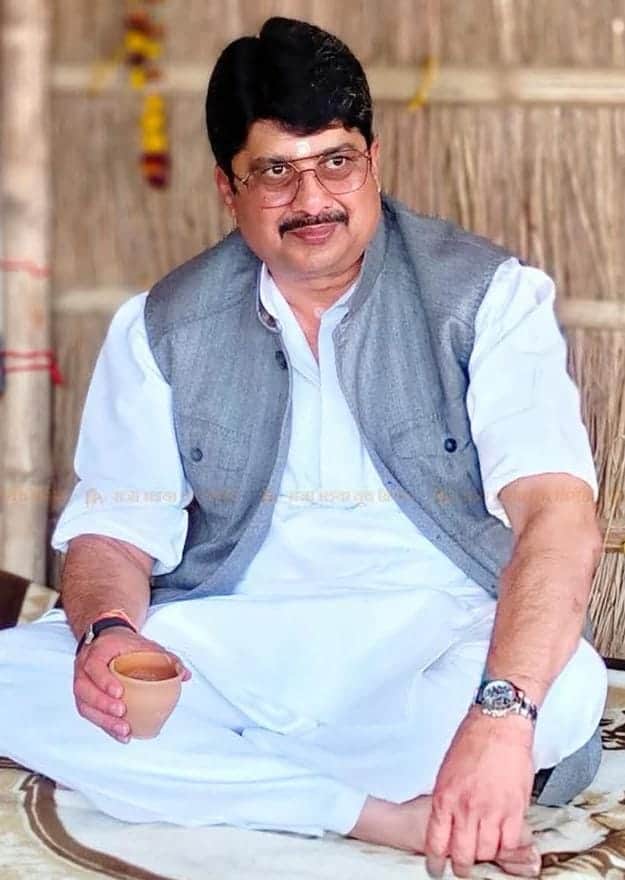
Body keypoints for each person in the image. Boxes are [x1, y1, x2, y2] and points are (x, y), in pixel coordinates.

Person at [0, 16, 607, 879]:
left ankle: (246, 780)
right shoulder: (161, 325)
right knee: (18, 678)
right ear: (227, 187)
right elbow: (114, 531)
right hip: (241, 639)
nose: (312, 198)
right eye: (274, 172)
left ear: (373, 161)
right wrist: (106, 631)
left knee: (565, 684)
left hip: (432, 637)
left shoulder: (486, 298)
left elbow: (556, 515)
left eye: (335, 161)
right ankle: (377, 814)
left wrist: (500, 714)